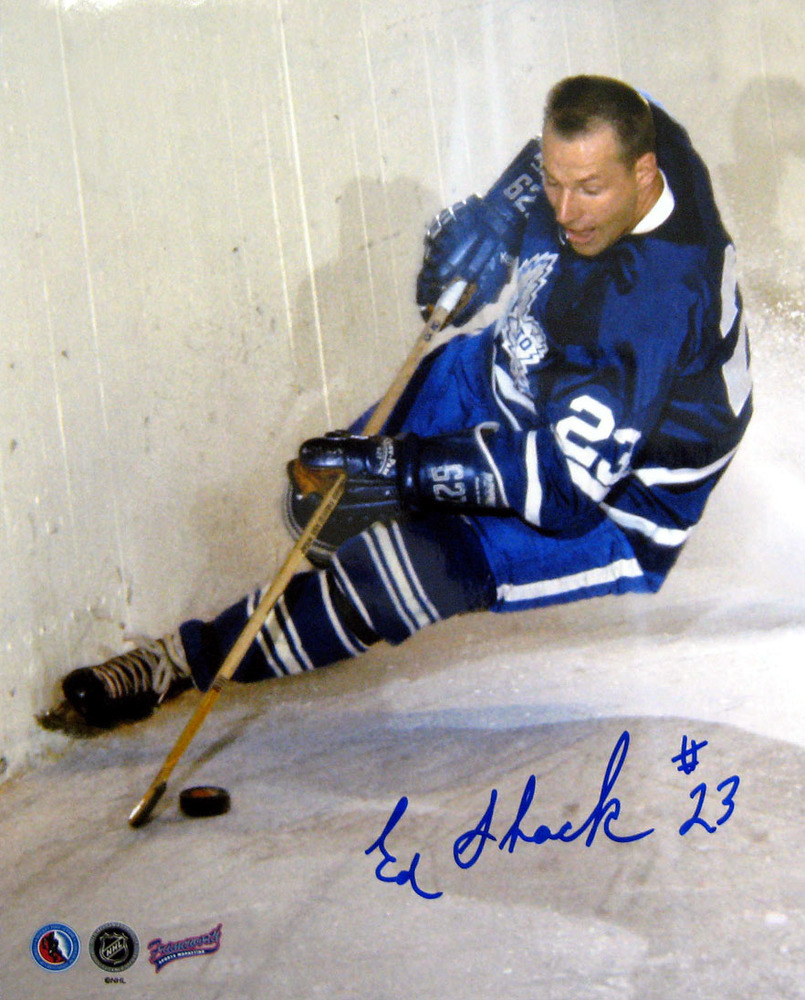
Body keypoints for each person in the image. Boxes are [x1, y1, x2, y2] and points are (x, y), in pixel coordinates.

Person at [42, 75, 752, 733]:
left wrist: (403, 469)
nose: (564, 211)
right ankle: (318, 592)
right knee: (322, 502)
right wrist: (497, 218)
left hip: (615, 497)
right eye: (555, 183)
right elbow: (562, 159)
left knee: (395, 573)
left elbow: (561, 489)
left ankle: (178, 664)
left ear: (643, 175)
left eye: (587, 191)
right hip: (517, 376)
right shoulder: (636, 137)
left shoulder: (656, 302)